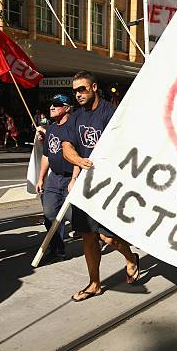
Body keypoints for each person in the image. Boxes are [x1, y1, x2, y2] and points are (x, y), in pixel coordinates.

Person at [62, 71, 139, 301]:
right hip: (85, 187)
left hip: (107, 185)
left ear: (94, 87)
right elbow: (67, 146)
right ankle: (94, 283)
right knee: (87, 235)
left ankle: (130, 258)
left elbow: (119, 148)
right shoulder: (75, 117)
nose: (78, 94)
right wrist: (77, 164)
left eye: (82, 89)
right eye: (75, 90)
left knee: (107, 237)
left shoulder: (109, 113)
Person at [36, 94, 74, 262]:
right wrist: (40, 178)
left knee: (77, 218)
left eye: (57, 105)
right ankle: (57, 250)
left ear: (67, 108)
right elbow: (46, 156)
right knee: (49, 213)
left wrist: (74, 178)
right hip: (54, 178)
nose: (51, 107)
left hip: (71, 179)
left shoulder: (74, 127)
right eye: (51, 104)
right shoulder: (51, 128)